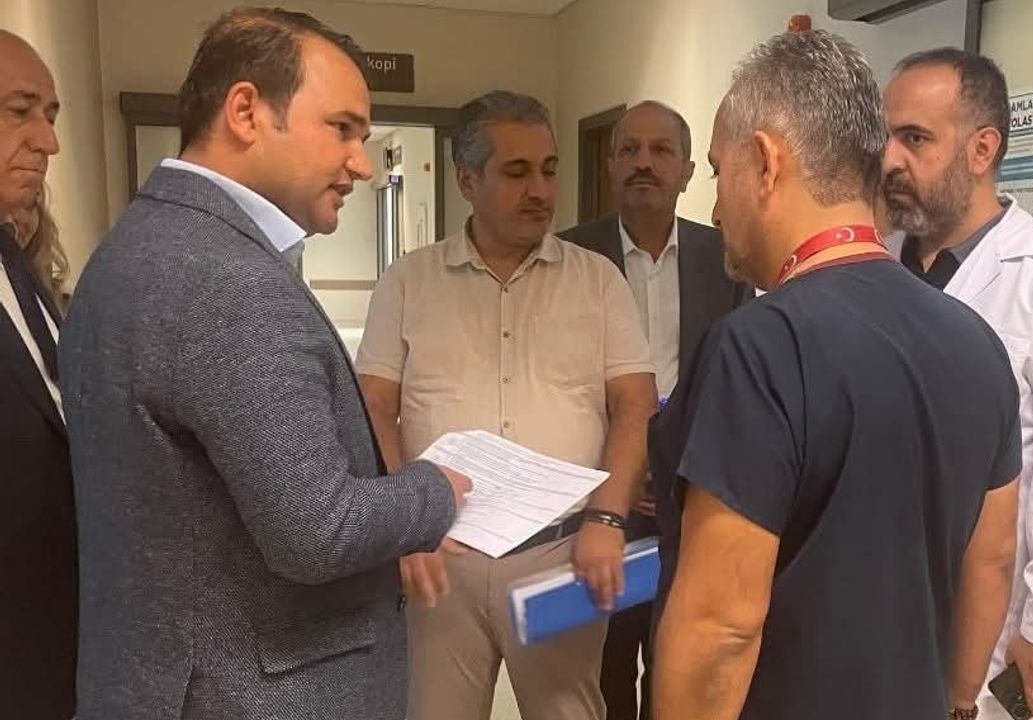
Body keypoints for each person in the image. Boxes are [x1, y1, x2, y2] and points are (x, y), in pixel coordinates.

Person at [60, 9, 470, 719]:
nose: (361, 163)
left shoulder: (132, 246)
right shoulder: (228, 279)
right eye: (341, 128)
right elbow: (318, 530)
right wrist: (437, 492)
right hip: (252, 694)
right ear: (246, 111)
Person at [649, 30, 1022, 720]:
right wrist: (957, 698)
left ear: (766, 163)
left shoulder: (760, 348)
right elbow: (992, 558)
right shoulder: (978, 344)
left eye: (718, 172)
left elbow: (720, 631)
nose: (717, 209)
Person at [357, 90, 658, 720]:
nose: (540, 191)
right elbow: (374, 406)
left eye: (549, 170)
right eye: (516, 172)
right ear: (467, 180)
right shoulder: (408, 282)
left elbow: (635, 404)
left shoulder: (598, 281)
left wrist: (608, 519)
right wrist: (403, 527)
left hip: (562, 556)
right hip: (443, 556)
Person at [882, 48, 1033, 720]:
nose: (889, 159)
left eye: (914, 139)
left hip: (993, 628)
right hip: (876, 606)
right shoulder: (871, 269)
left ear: (982, 149)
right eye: (886, 136)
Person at [557, 99, 751, 720]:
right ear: (611, 165)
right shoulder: (569, 257)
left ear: (688, 171)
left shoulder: (725, 257)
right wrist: (621, 475)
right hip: (601, 501)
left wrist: (675, 470)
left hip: (689, 502)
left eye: (661, 151)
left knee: (677, 660)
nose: (644, 163)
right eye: (630, 150)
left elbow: (733, 384)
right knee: (603, 668)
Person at [0, 28, 77, 720]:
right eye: (19, 110)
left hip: (57, 651)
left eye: (49, 116)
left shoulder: (19, 263)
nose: (47, 142)